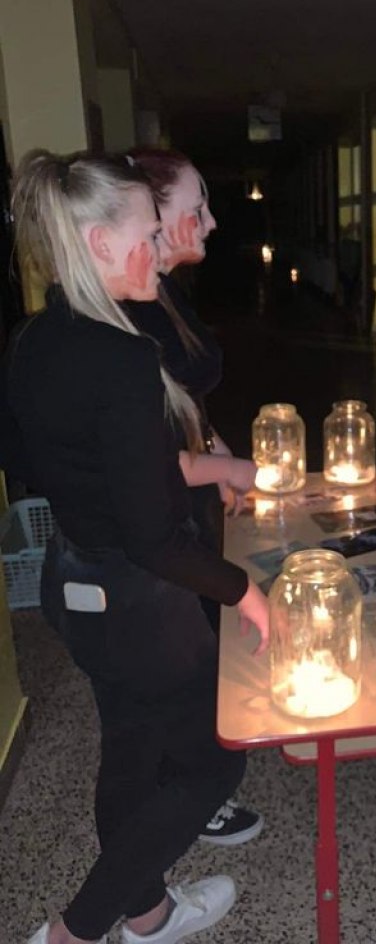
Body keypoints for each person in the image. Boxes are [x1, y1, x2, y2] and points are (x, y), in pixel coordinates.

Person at [0, 149, 270, 944]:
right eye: (149, 235)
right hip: (135, 600)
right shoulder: (121, 357)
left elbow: (25, 460)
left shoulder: (29, 340)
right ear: (100, 244)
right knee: (213, 760)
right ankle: (76, 930)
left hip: (72, 580)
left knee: (130, 748)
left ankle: (148, 915)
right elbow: (153, 537)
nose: (159, 249)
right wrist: (243, 590)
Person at [122, 148, 263, 848]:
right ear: (152, 212)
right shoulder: (127, 311)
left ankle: (196, 779)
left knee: (197, 645)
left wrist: (219, 451)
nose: (209, 221)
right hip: (160, 517)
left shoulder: (163, 291)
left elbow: (183, 405)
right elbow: (146, 457)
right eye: (195, 208)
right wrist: (224, 468)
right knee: (174, 662)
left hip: (191, 494)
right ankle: (188, 797)